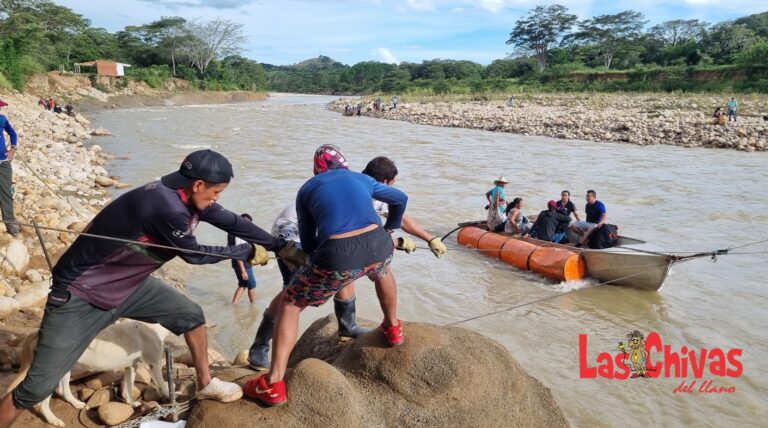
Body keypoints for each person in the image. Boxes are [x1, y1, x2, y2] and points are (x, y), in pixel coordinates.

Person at [0, 149, 302, 427]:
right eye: (215, 193)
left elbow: (232, 222)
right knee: (34, 388)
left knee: (191, 316)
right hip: (81, 293)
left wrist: (279, 245)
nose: (216, 200)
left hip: (127, 285)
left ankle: (206, 383)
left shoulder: (183, 194)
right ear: (197, 184)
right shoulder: (167, 209)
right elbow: (195, 254)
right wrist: (244, 253)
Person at [245, 156, 446, 372]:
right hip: (291, 234)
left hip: (329, 241)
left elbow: (396, 216)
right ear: (385, 182)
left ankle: (347, 327)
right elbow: (394, 213)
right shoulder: (360, 184)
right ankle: (260, 347)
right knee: (295, 291)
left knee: (347, 269)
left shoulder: (358, 184)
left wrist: (428, 238)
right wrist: (394, 239)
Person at [243, 145, 408, 407]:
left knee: (291, 301)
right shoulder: (361, 178)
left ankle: (273, 383)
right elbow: (400, 198)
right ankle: (392, 328)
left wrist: (326, 256)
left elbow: (309, 244)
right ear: (345, 165)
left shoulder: (308, 188)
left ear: (316, 169)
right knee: (382, 270)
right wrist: (390, 228)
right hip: (379, 244)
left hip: (335, 252)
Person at [229, 213, 258, 304]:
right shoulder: (239, 234)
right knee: (252, 285)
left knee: (243, 284)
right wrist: (243, 270)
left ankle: (234, 304)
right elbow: (239, 253)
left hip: (235, 262)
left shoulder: (231, 232)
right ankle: (253, 306)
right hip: (243, 264)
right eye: (248, 223)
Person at [0, 99, 19, 237]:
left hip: (3, 162)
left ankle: (9, 222)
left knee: (6, 192)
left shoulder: (2, 119)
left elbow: (13, 133)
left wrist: (13, 148)